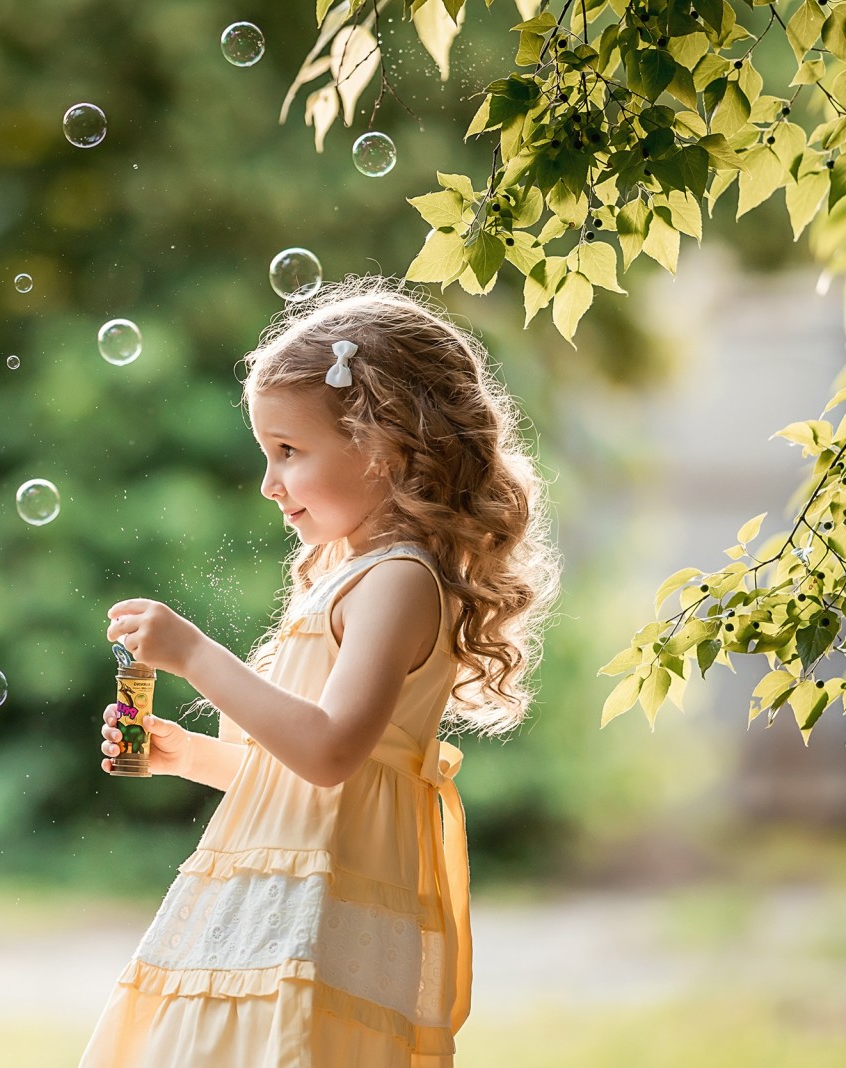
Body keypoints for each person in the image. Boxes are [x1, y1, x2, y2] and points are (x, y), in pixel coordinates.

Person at [78, 275, 562, 1067]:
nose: (270, 483)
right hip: (279, 894)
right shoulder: (349, 573)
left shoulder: (400, 580)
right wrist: (191, 756)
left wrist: (196, 655)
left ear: (385, 448)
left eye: (289, 452)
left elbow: (332, 753)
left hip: (320, 911)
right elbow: (307, 774)